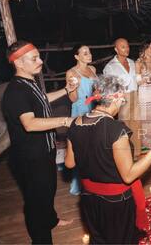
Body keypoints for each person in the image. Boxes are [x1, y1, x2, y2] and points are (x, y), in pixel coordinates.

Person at [65, 75, 151, 244]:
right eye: (122, 100)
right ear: (117, 98)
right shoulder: (115, 130)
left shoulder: (75, 123)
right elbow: (128, 175)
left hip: (89, 198)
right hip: (115, 202)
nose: (122, 103)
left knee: (99, 240)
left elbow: (70, 163)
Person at [2, 40, 76, 244]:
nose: (41, 61)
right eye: (34, 58)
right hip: (30, 157)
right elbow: (30, 124)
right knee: (36, 201)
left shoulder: (28, 83)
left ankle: (51, 220)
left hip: (45, 150)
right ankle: (42, 239)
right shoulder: (15, 91)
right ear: (18, 63)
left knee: (48, 190)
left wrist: (65, 90)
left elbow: (41, 99)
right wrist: (65, 120)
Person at [65, 44, 98, 195]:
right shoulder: (71, 72)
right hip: (80, 110)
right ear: (76, 56)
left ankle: (94, 179)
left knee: (95, 146)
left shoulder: (93, 70)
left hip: (94, 109)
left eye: (89, 51)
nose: (89, 54)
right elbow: (73, 99)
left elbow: (96, 91)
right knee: (81, 148)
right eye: (85, 52)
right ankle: (79, 183)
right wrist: (73, 87)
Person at [103, 38, 142, 158]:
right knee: (124, 126)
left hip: (134, 95)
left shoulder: (131, 62)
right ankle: (126, 154)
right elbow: (108, 86)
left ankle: (137, 152)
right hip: (121, 98)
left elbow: (136, 80)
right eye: (123, 47)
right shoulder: (110, 67)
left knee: (136, 124)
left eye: (127, 46)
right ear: (116, 49)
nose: (127, 49)